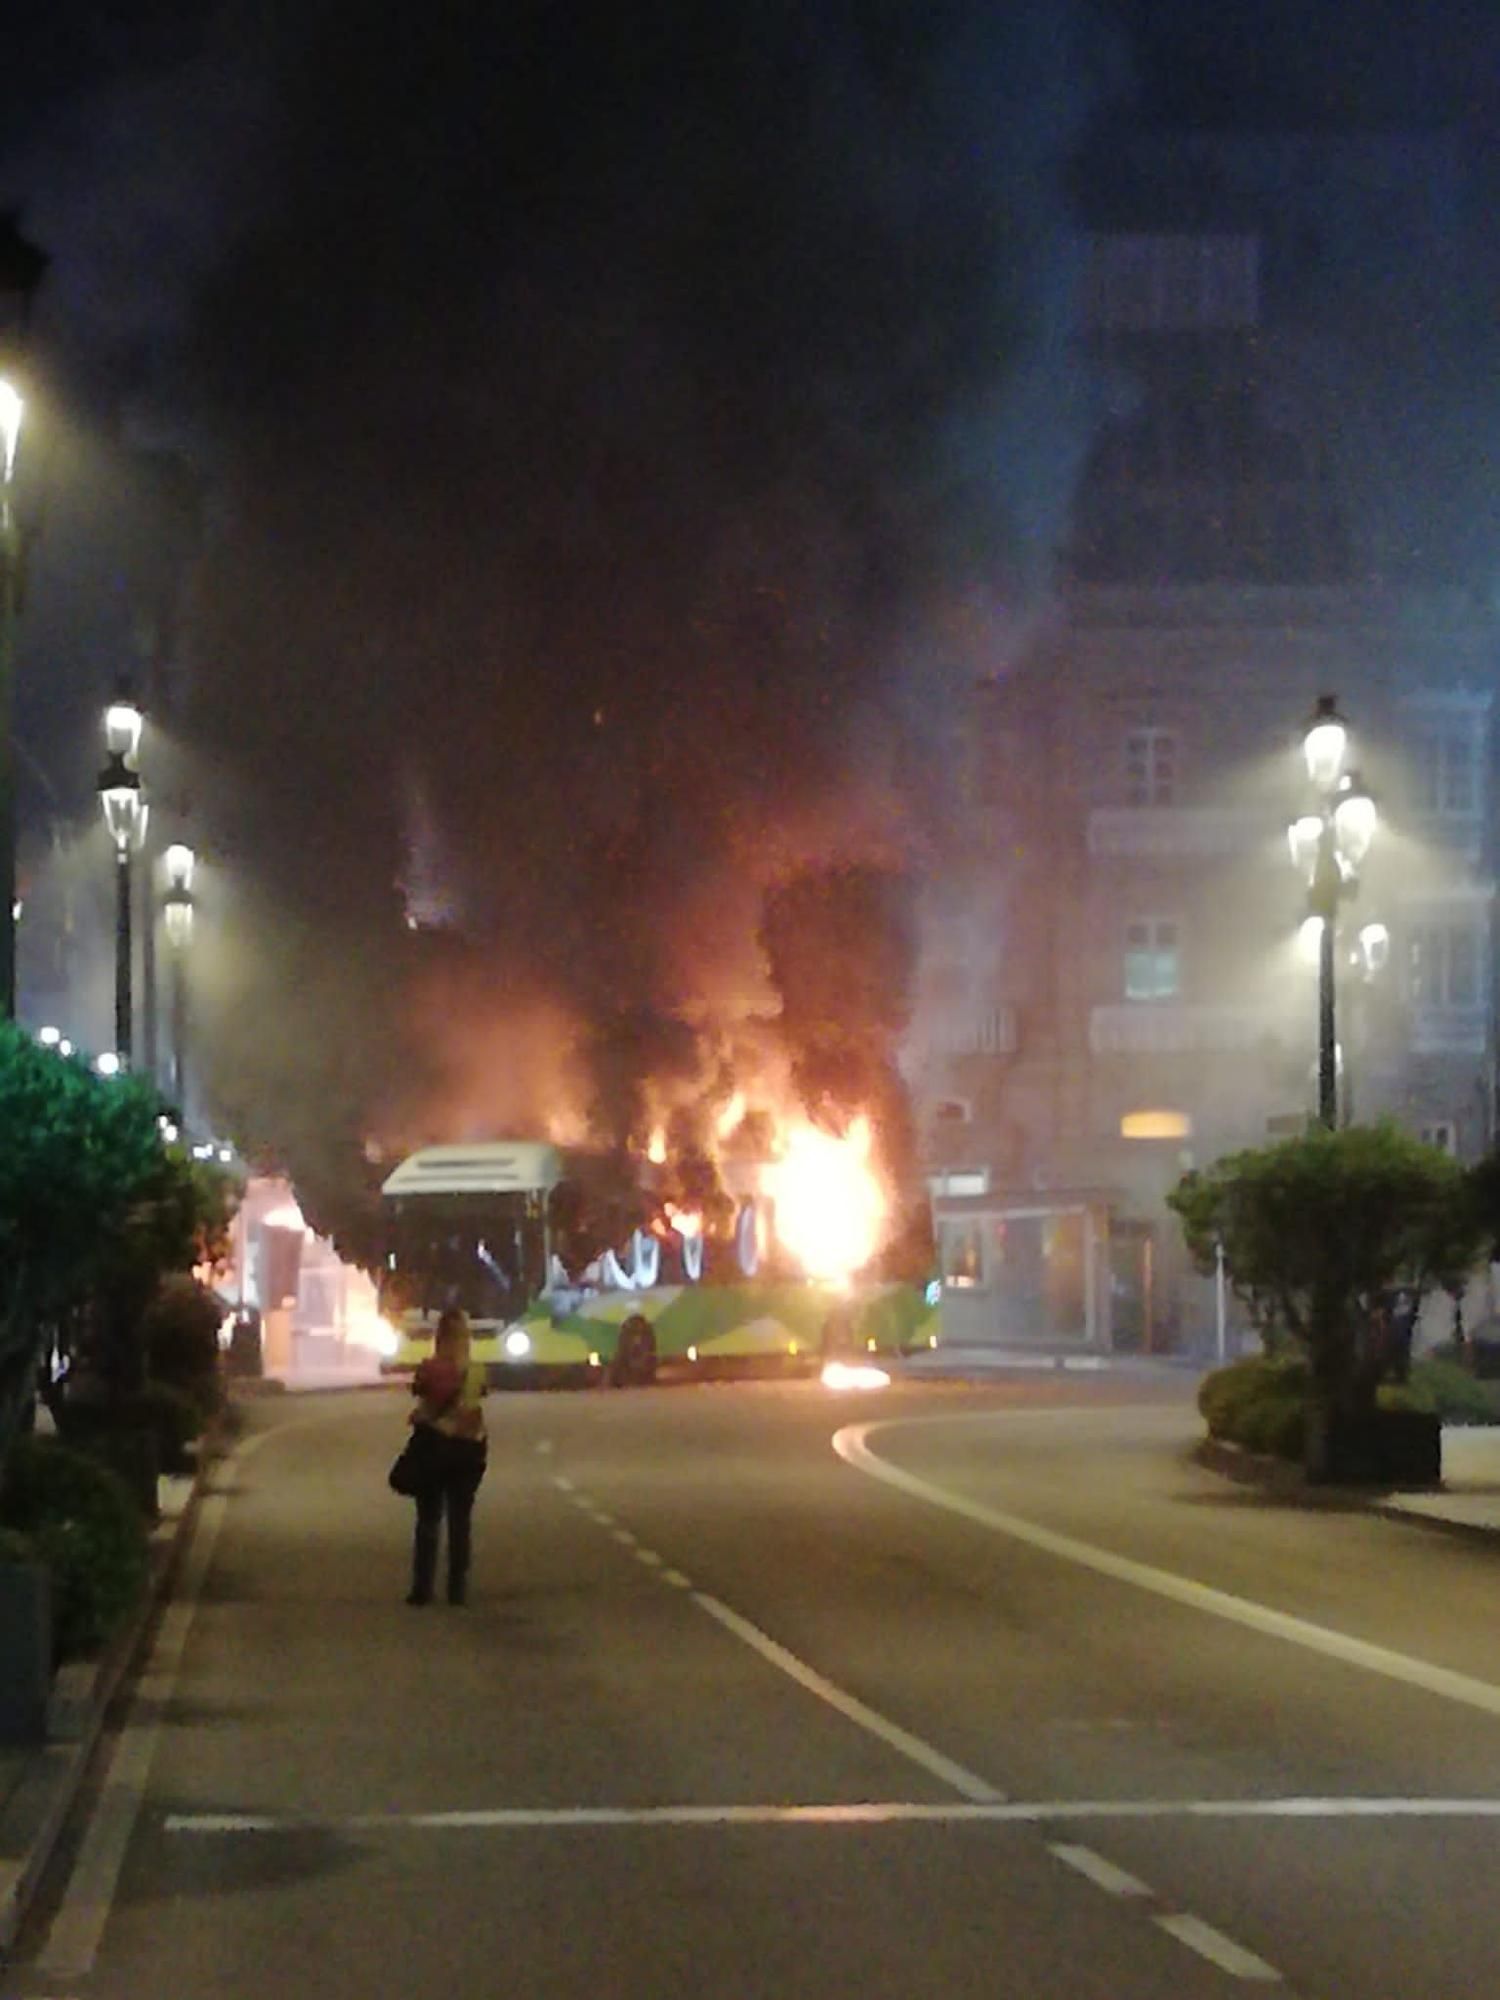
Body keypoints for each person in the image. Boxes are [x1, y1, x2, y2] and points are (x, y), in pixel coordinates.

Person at [405, 1307, 488, 1606]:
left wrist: (421, 1416)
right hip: (469, 1448)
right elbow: (477, 1400)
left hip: (435, 1446)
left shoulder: (430, 1368)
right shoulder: (476, 1370)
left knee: (428, 1518)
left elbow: (422, 1398)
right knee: (460, 1520)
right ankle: (457, 1588)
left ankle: (422, 1588)